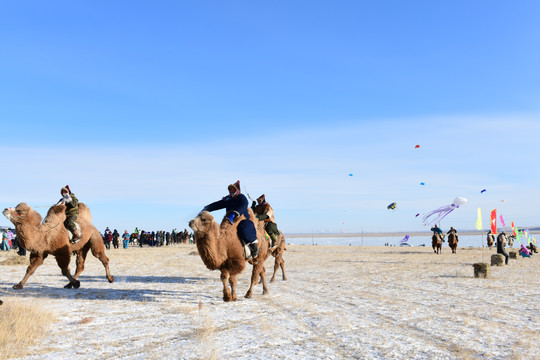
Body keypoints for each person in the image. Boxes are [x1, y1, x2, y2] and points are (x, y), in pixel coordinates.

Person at [202, 180, 259, 258]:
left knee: (244, 227)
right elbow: (218, 204)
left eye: (233, 189)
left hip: (241, 218)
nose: (231, 191)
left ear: (237, 190)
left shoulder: (241, 197)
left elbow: (244, 205)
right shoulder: (228, 199)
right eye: (230, 190)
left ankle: (253, 247)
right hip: (229, 219)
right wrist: (207, 208)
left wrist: (235, 213)